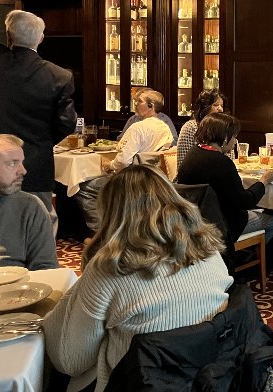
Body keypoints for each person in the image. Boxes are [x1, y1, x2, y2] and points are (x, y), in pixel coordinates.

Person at [43, 165, 232, 392]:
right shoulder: (210, 251)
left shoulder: (110, 270)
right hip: (206, 377)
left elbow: (72, 362)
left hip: (137, 383)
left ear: (111, 214)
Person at [0, 9, 76, 211]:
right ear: (41, 38)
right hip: (34, 168)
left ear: (9, 35)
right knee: (37, 224)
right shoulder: (58, 76)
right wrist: (39, 141)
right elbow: (66, 124)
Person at [177, 113, 273, 244]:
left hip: (191, 220)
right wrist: (264, 180)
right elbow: (246, 202)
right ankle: (249, 255)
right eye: (234, 136)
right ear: (225, 138)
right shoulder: (221, 162)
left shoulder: (193, 153)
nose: (235, 141)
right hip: (222, 224)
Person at [0, 133, 57, 269]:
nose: (23, 171)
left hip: (18, 282)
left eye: (21, 162)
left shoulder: (30, 207)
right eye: (12, 164)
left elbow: (46, 268)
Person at [102, 89, 173, 173]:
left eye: (140, 101)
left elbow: (123, 161)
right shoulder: (165, 128)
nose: (135, 104)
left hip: (135, 177)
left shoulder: (137, 128)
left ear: (151, 106)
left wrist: (110, 165)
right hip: (155, 176)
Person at [176, 88, 228, 168]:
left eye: (222, 106)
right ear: (205, 107)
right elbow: (183, 164)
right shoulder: (191, 127)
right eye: (215, 105)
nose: (220, 109)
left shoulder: (223, 129)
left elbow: (229, 159)